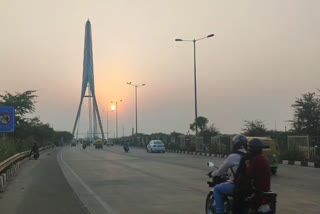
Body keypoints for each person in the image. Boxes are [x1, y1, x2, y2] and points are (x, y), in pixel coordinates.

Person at [210, 135, 248, 214]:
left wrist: (213, 174)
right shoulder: (249, 155)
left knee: (217, 189)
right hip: (249, 187)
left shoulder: (233, 156)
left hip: (237, 186)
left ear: (235, 145)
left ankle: (219, 212)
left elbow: (221, 171)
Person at [245, 138, 271, 210]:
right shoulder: (263, 158)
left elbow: (248, 174)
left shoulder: (257, 159)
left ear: (252, 148)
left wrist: (247, 164)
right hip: (266, 189)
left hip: (259, 190)